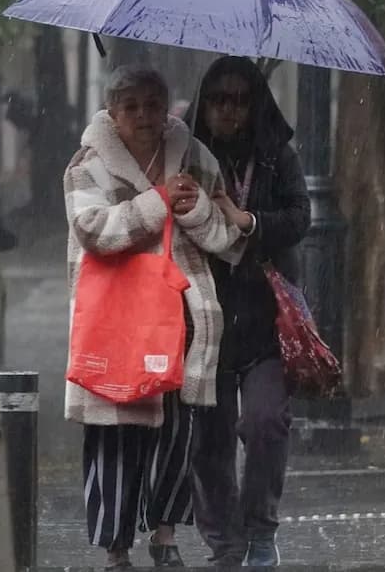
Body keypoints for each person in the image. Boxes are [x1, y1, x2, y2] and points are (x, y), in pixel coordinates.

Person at [64, 65, 241, 569]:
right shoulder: (87, 165)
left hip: (182, 316)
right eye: (131, 107)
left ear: (166, 111)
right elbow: (95, 231)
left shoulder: (195, 158)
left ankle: (165, 536)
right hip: (116, 322)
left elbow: (225, 240)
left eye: (152, 105)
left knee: (176, 435)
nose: (143, 116)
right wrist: (158, 203)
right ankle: (116, 550)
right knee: (114, 433)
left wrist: (194, 209)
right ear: (113, 114)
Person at [185, 56, 310, 568]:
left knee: (265, 424)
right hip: (204, 317)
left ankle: (260, 530)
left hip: (264, 319)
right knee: (207, 439)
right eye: (218, 99)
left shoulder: (278, 157)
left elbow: (301, 217)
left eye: (239, 100)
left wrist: (249, 220)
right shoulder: (187, 157)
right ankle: (225, 543)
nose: (228, 111)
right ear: (204, 104)